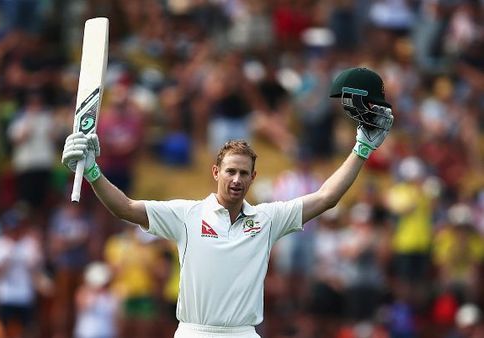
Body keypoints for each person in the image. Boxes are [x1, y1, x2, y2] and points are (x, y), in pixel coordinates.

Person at [61, 67, 394, 338]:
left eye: (244, 173)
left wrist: (361, 149)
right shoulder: (186, 215)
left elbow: (327, 197)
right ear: (216, 172)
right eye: (230, 171)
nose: (236, 179)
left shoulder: (267, 218)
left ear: (252, 177)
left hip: (243, 333)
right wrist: (92, 171)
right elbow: (125, 208)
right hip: (193, 332)